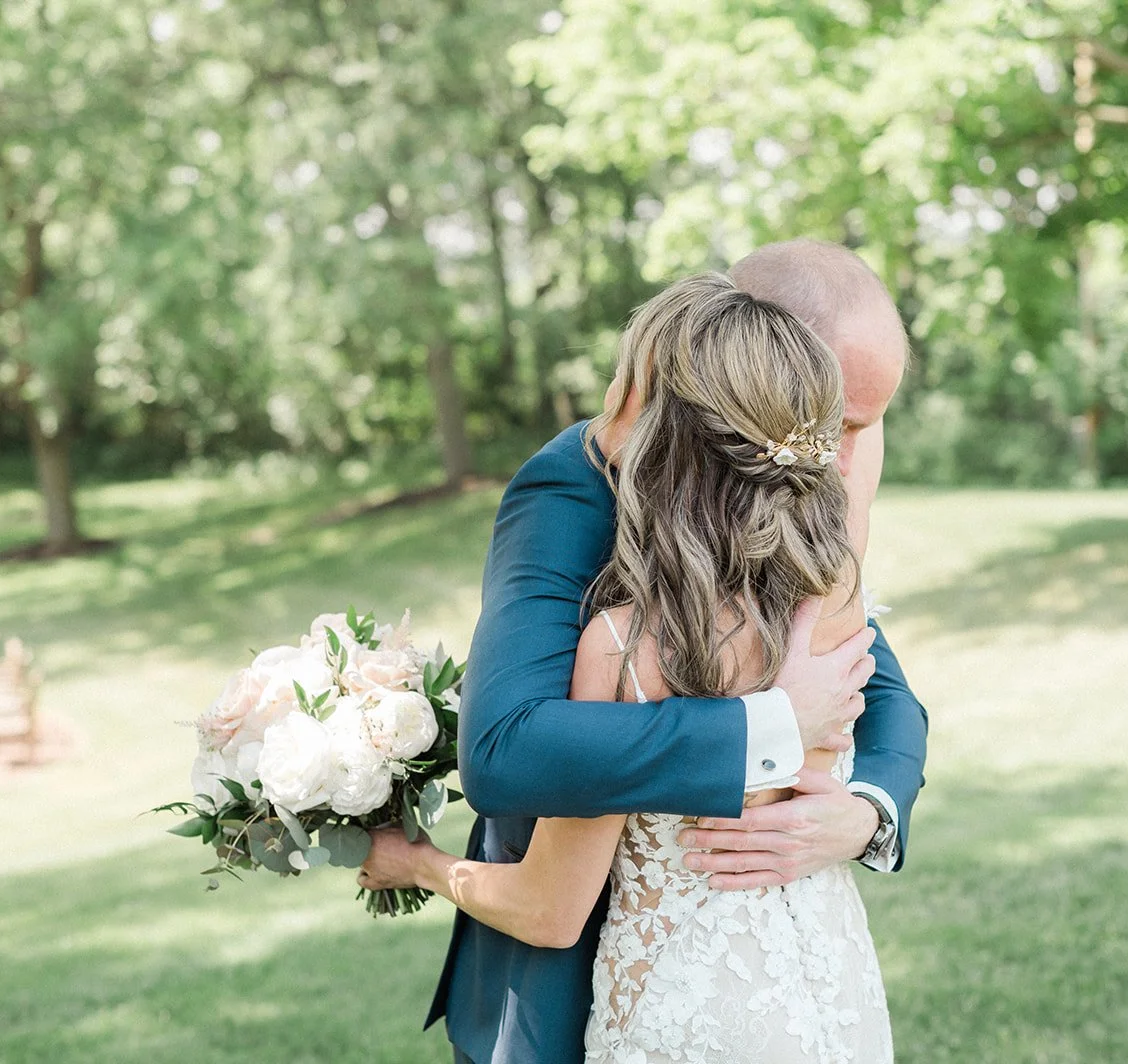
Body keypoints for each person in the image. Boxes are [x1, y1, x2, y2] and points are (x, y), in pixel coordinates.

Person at [364, 240, 927, 1063]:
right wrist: (769, 729)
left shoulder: (633, 644)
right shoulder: (571, 488)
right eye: (835, 423)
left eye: (860, 430)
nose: (832, 464)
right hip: (615, 984)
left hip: (746, 988)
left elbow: (887, 694)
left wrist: (867, 813)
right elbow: (505, 748)